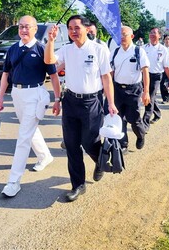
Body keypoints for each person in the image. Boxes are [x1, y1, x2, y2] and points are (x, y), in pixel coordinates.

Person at [44, 15, 118, 202]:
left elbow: (107, 78)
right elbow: (49, 61)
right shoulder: (67, 50)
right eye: (70, 28)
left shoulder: (99, 50)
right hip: (70, 101)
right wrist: (51, 40)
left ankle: (100, 160)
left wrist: (111, 103)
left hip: (91, 102)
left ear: (86, 28)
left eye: (77, 27)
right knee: (71, 145)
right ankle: (78, 184)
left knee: (89, 141)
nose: (73, 31)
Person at [0, 16, 61, 198]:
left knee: (23, 136)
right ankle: (45, 156)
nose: (23, 30)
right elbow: (5, 74)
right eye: (20, 27)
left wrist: (57, 98)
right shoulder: (12, 49)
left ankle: (13, 181)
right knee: (30, 130)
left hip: (35, 94)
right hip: (17, 94)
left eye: (27, 27)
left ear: (34, 29)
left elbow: (54, 76)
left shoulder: (42, 49)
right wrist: (1, 96)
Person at [110, 26, 150, 152]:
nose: (121, 37)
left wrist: (146, 92)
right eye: (119, 35)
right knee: (119, 119)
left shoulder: (139, 51)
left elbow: (145, 72)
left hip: (134, 91)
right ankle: (123, 145)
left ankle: (140, 135)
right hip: (118, 90)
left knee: (134, 120)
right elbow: (110, 72)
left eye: (124, 35)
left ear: (131, 36)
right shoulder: (115, 52)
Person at [142, 27, 169, 126]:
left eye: (154, 33)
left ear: (159, 36)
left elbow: (166, 66)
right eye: (150, 32)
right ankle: (157, 113)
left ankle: (145, 123)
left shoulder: (163, 50)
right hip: (144, 75)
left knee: (149, 98)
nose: (152, 34)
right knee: (152, 97)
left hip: (156, 76)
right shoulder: (143, 48)